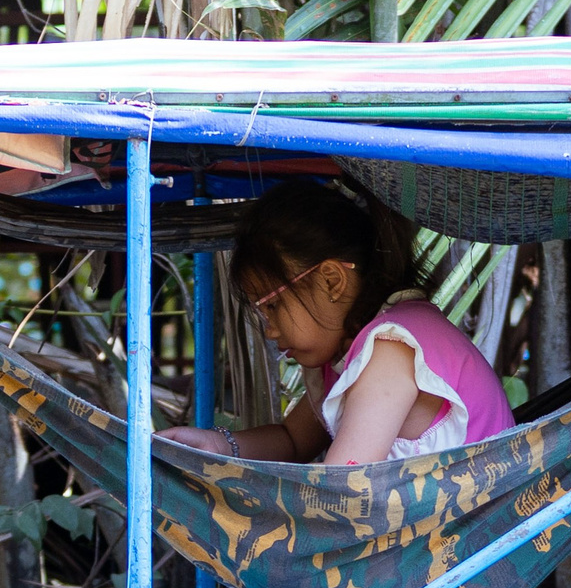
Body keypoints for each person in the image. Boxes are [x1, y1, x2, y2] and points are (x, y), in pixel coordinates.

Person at [162, 182, 514, 465]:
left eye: (274, 305)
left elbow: (340, 489)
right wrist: (216, 444)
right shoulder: (352, 351)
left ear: (331, 280)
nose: (270, 330)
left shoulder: (391, 348)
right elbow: (293, 441)